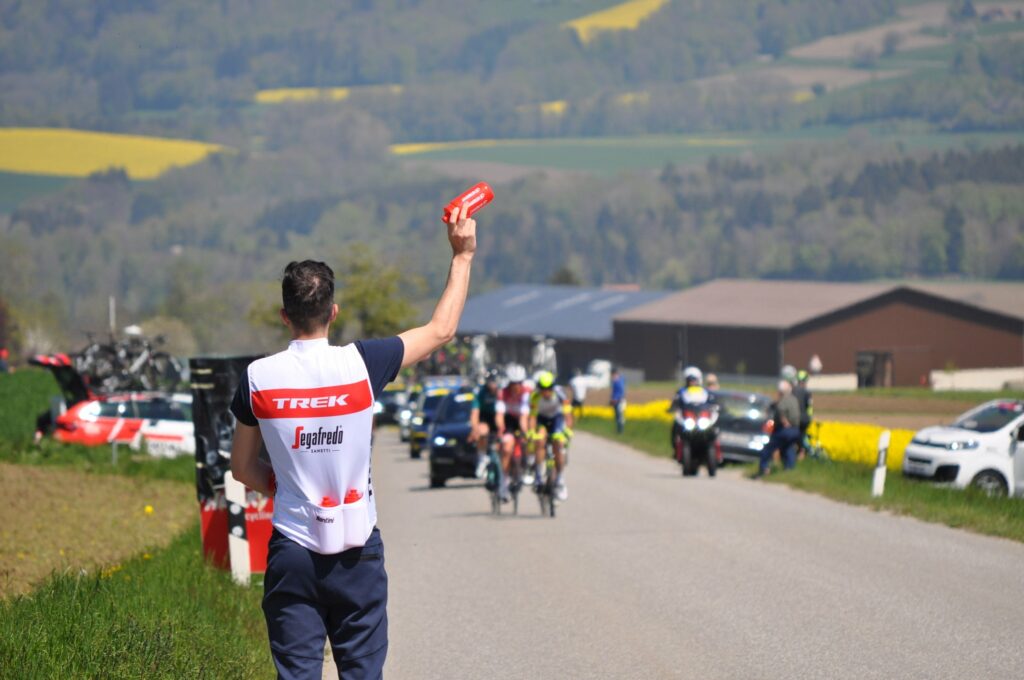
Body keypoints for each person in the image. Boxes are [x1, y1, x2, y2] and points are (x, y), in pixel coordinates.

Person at [228, 204, 477, 680]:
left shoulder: (257, 379)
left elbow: (242, 468)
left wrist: (292, 496)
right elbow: (442, 330)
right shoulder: (363, 363)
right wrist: (462, 255)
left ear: (284, 316)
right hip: (357, 549)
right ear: (333, 313)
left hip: (293, 550)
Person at [528, 371, 573, 501]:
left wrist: (568, 431)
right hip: (541, 420)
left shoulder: (560, 395)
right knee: (540, 439)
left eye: (548, 389)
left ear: (553, 388)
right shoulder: (535, 397)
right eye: (543, 389)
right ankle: (538, 473)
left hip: (556, 420)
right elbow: (532, 417)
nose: (546, 392)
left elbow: (568, 416)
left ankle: (559, 479)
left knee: (558, 444)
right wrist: (531, 432)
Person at [755, 380, 801, 478]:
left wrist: (785, 422)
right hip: (796, 430)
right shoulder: (794, 399)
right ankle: (789, 469)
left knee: (768, 448)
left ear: (780, 391)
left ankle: (764, 468)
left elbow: (780, 410)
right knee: (788, 448)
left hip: (785, 430)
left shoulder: (782, 401)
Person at [496, 363, 531, 493]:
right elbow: (499, 416)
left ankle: (527, 468)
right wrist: (501, 429)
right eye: (513, 383)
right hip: (508, 421)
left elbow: (524, 416)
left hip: (522, 420)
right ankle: (503, 481)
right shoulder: (503, 393)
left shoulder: (527, 392)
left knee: (528, 442)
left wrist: (526, 433)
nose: (516, 386)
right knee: (506, 447)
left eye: (519, 383)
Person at [468, 369, 501, 482]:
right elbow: (475, 413)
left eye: (495, 381)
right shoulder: (481, 392)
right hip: (485, 418)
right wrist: (474, 429)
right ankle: (482, 458)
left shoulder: (502, 392)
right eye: (490, 381)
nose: (493, 384)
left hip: (500, 416)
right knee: (481, 432)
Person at [793, 369, 814, 459]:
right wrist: (810, 417)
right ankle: (802, 454)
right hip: (804, 419)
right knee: (802, 436)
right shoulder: (807, 392)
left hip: (794, 419)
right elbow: (809, 407)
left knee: (795, 438)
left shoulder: (793, 391)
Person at [609, 368, 626, 434]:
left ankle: (620, 431)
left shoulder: (619, 381)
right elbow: (614, 392)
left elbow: (621, 392)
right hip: (615, 401)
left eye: (612, 375)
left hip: (619, 401)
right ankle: (618, 430)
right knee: (617, 416)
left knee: (620, 416)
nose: (612, 377)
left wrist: (617, 399)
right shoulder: (616, 381)